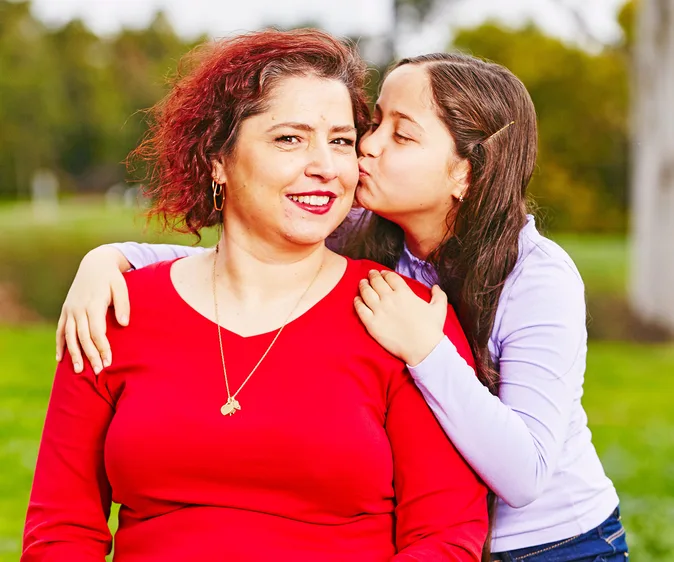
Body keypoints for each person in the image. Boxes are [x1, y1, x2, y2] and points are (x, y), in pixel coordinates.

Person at [55, 50, 629, 561]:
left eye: (399, 136)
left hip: (550, 541)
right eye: (371, 125)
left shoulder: (537, 276)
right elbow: (252, 240)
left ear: (464, 173)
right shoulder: (365, 231)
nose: (364, 148)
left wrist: (427, 350)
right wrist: (110, 258)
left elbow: (524, 475)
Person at [23, 30, 489, 561]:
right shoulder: (113, 310)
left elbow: (445, 536)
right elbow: (61, 533)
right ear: (218, 160)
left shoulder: (402, 314)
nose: (326, 166)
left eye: (340, 140)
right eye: (290, 139)